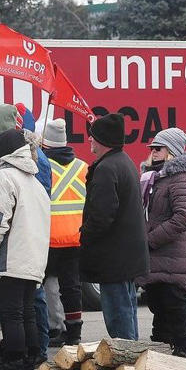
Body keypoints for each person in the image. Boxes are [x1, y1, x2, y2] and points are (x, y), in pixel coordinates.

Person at [0, 129, 50, 370]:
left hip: (10, 259)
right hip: (32, 259)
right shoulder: (35, 182)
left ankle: (12, 369)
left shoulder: (3, 177)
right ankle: (29, 367)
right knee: (26, 314)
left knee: (11, 316)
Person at [80, 113, 149, 340]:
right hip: (125, 257)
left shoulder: (106, 169)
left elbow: (101, 216)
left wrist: (85, 235)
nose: (89, 140)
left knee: (119, 321)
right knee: (126, 314)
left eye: (92, 137)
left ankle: (128, 367)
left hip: (114, 259)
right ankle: (134, 364)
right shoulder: (123, 162)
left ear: (102, 141)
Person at [137, 128, 186, 357]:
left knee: (173, 302)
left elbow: (183, 217)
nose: (153, 152)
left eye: (158, 148)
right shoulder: (153, 177)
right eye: (152, 148)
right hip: (154, 255)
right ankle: (162, 345)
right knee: (156, 302)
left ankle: (182, 345)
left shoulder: (181, 178)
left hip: (170, 253)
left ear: (171, 151)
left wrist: (150, 240)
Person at [41, 118, 88, 346]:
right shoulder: (83, 167)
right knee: (72, 287)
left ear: (45, 143)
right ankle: (74, 332)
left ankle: (53, 327)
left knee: (48, 283)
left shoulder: (42, 165)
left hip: (48, 237)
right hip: (75, 236)